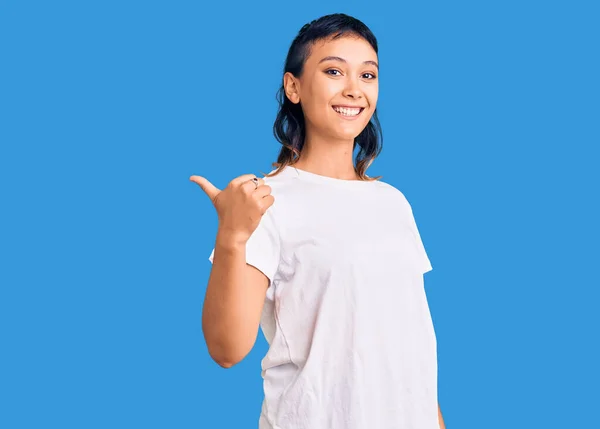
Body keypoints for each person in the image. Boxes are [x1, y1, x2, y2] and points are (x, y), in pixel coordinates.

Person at [190, 13, 446, 429]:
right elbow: (226, 349)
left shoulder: (394, 203)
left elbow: (411, 345)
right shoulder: (265, 201)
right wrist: (233, 237)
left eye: (368, 75)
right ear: (293, 86)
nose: (354, 89)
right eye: (333, 71)